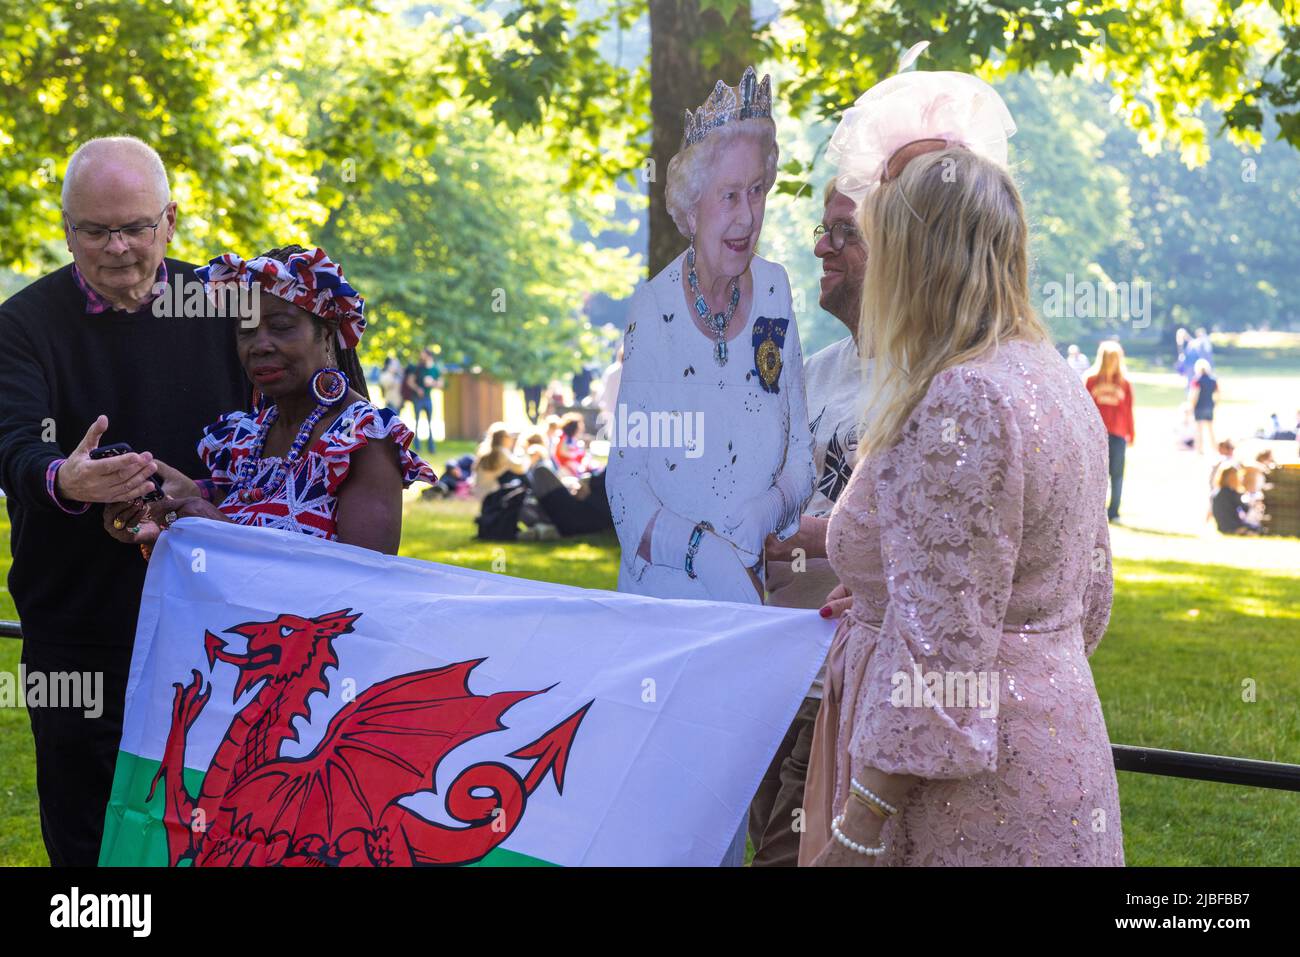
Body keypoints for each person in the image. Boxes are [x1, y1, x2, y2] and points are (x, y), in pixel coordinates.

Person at [800, 91, 1122, 866]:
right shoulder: (1051, 376)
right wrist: (884, 594)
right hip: (1055, 739)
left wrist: (856, 830)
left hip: (964, 800)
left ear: (913, 257)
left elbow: (941, 658)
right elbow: (1087, 597)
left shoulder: (961, 396)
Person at [0, 136, 250, 865]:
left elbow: (297, 412)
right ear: (65, 227)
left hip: (216, 625)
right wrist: (66, 480)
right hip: (78, 628)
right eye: (94, 230)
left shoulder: (225, 306)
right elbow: (15, 448)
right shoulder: (21, 326)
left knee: (211, 822)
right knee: (86, 835)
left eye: (136, 227)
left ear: (170, 221)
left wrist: (204, 499)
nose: (117, 248)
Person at [605, 66, 815, 867]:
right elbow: (628, 485)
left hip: (753, 612)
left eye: (759, 191)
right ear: (691, 206)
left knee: (738, 804)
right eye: (730, 196)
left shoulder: (777, 294)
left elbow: (798, 445)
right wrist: (702, 553)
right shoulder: (654, 312)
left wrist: (767, 507)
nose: (749, 215)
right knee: (667, 812)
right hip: (667, 608)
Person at [106, 245, 435, 555]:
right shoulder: (244, 439)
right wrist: (173, 509)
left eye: (281, 327)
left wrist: (219, 529)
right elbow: (234, 528)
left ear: (328, 331)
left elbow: (362, 589)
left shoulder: (361, 440)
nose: (259, 345)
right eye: (246, 330)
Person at [751, 178, 868, 866]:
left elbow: (917, 537)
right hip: (769, 670)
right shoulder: (811, 373)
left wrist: (808, 536)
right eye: (823, 229)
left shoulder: (938, 379)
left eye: (845, 233)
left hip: (842, 682)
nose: (822, 245)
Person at [1085, 341, 1135, 522]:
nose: (1112, 362)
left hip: (1118, 434)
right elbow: (1083, 409)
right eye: (1109, 358)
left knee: (1117, 474)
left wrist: (1131, 433)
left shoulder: (1124, 383)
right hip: (1096, 435)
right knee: (1097, 473)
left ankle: (1114, 512)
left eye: (1115, 358)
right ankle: (1095, 510)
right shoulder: (1090, 380)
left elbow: (1129, 410)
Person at [472, 422, 528, 501]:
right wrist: (525, 453)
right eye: (509, 437)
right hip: (490, 494)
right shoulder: (501, 453)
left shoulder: (485, 451)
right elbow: (520, 468)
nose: (511, 440)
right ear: (504, 439)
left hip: (479, 491)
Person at [404, 347, 441, 454]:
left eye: (423, 354)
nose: (421, 356)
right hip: (418, 398)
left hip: (428, 398)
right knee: (417, 422)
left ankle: (431, 447)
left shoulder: (434, 369)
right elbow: (410, 381)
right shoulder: (417, 368)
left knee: (430, 423)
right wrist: (418, 389)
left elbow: (440, 383)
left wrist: (432, 383)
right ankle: (417, 446)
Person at [1211, 464, 1261, 534]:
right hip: (1234, 527)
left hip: (1222, 527)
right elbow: (1246, 508)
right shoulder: (1231, 493)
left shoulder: (1218, 492)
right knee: (1260, 529)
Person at [554, 412, 594, 478]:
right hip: (567, 467)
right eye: (580, 424)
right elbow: (562, 452)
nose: (582, 427)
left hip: (577, 465)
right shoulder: (564, 438)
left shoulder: (573, 439)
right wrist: (576, 454)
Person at [1191, 358, 1218, 454]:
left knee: (1199, 429)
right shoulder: (1213, 380)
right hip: (1209, 406)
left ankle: (1200, 449)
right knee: (1210, 429)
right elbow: (1217, 394)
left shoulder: (1197, 381)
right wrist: (1215, 404)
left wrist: (1192, 406)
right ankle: (1214, 448)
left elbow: (1195, 395)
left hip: (1199, 407)